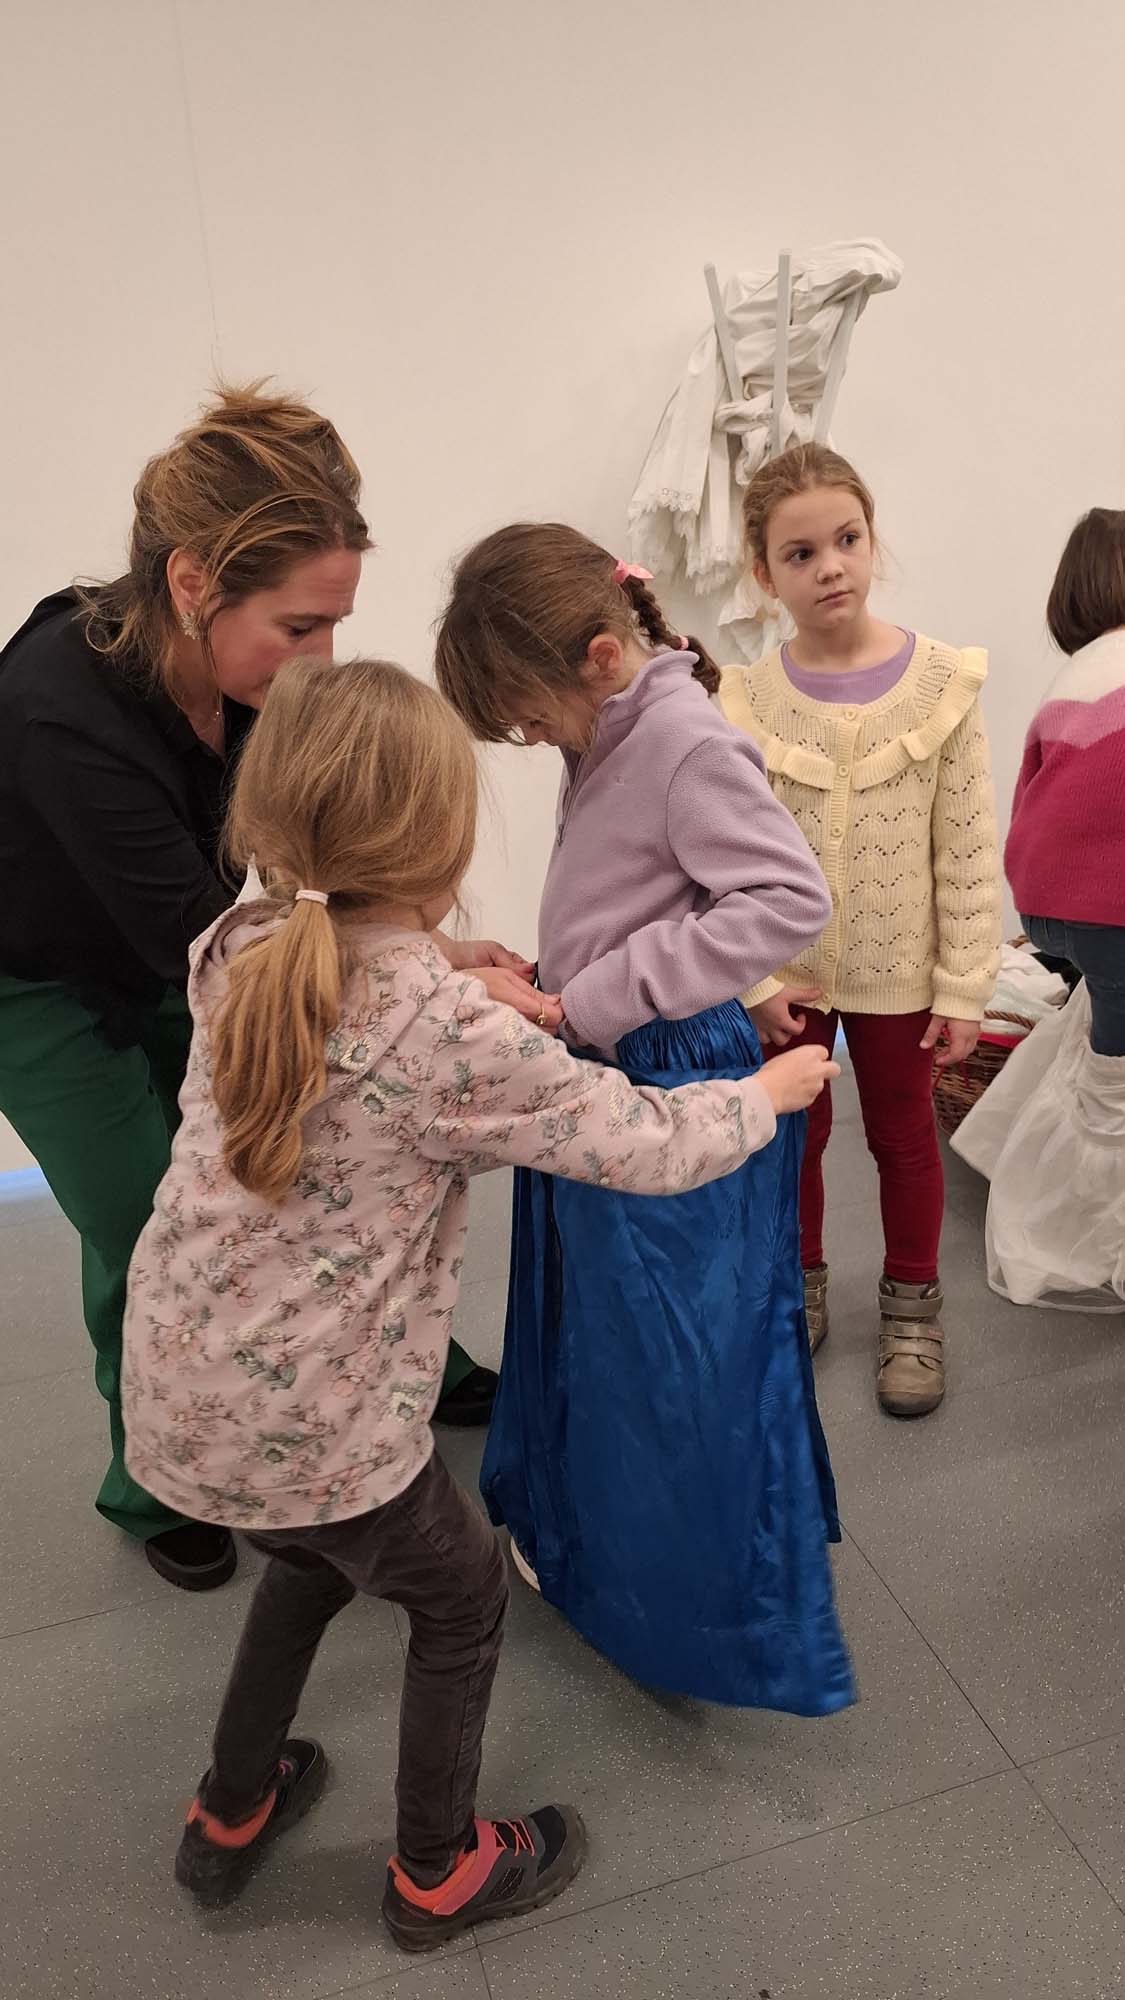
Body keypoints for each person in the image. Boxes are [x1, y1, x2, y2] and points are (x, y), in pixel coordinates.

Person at [121, 654, 836, 1942]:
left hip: (189, 1395)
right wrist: (761, 1098)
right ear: (444, 838)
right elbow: (634, 1138)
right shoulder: (447, 1032)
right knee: (458, 1595)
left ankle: (230, 1805)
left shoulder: (239, 948)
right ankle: (436, 1867)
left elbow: (359, 982)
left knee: (305, 1560)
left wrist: (453, 968)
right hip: (330, 1421)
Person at [0, 385, 522, 1592]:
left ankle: (395, 1371)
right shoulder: (55, 713)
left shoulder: (241, 683)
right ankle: (155, 1475)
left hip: (182, 935)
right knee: (157, 1218)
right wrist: (424, 972)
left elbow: (290, 866)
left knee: (326, 1142)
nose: (322, 657)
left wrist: (419, 952)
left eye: (336, 621)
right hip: (37, 982)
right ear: (193, 584)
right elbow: (220, 948)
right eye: (299, 624)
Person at [435, 524, 854, 1716]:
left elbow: (786, 894)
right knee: (599, 1324)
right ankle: (589, 1536)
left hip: (658, 1071)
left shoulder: (677, 735)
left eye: (529, 718)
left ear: (602, 656)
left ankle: (675, 1590)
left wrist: (602, 992)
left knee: (671, 1350)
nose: (532, 739)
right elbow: (664, 888)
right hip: (608, 1056)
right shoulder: (614, 722)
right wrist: (571, 979)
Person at [720, 442, 1002, 1416]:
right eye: (800, 554)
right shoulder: (744, 701)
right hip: (789, 976)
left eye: (846, 539)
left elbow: (965, 850)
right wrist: (755, 982)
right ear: (765, 574)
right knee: (791, 1137)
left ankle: (913, 1308)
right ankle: (795, 1287)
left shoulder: (943, 684)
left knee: (904, 1136)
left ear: (871, 539)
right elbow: (724, 858)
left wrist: (964, 987)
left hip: (902, 975)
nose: (830, 567)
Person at [1006, 507, 1125, 1056]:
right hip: (1108, 908)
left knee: (1098, 1039)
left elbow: (1028, 802)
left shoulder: (1071, 678)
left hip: (1045, 906)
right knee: (1115, 1072)